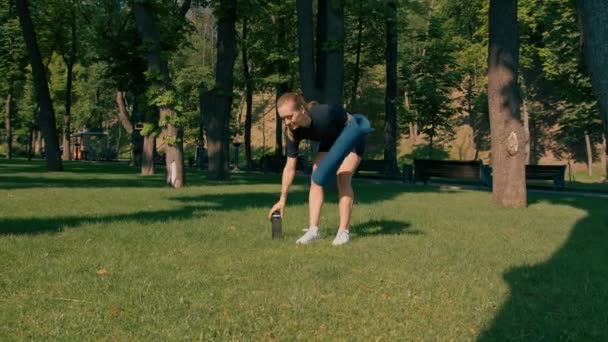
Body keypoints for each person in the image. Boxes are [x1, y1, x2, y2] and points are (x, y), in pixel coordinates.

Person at [267, 92, 366, 246]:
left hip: (351, 138)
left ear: (301, 109)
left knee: (342, 176)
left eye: (289, 116)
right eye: (283, 118)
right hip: (330, 141)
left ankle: (343, 232)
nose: (286, 122)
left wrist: (343, 153)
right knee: (316, 178)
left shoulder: (325, 113)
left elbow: (353, 123)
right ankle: (313, 230)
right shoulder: (293, 132)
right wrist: (282, 199)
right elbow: (290, 166)